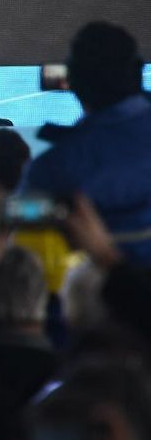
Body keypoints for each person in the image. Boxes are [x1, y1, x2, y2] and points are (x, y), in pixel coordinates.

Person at [22, 21, 151, 265]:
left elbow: (20, 212)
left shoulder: (55, 168)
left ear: (74, 81)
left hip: (100, 292)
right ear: (137, 73)